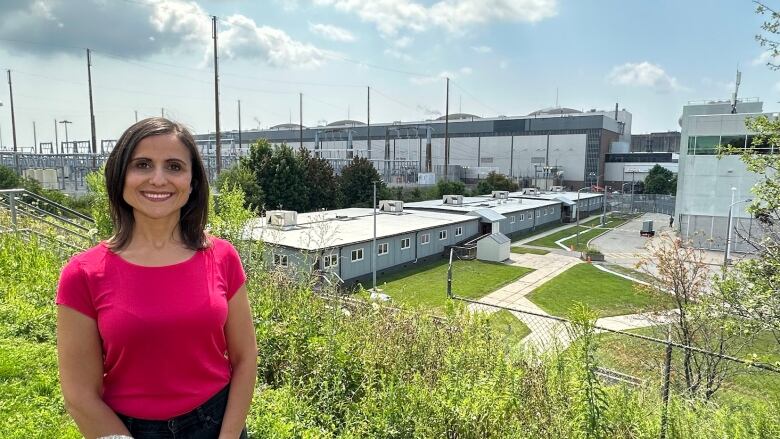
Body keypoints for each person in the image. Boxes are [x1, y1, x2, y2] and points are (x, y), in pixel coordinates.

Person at [56, 118, 257, 438]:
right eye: (143, 164)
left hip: (218, 424)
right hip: (125, 430)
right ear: (120, 177)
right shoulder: (83, 274)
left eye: (175, 166)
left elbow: (245, 359)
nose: (158, 178)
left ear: (192, 182)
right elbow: (80, 395)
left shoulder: (222, 256)